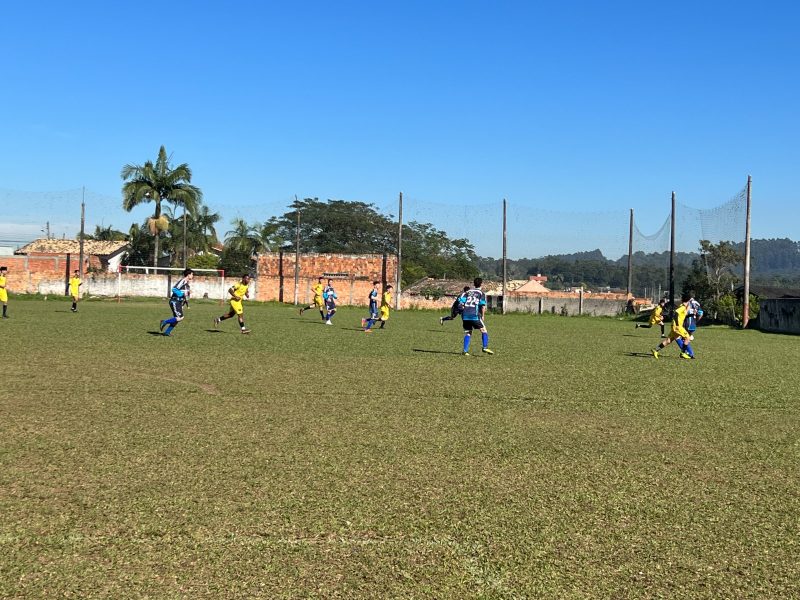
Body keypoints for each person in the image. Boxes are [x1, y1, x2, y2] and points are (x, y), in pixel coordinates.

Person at [652, 293, 695, 360]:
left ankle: (656, 350)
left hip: (674, 326)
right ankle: (683, 353)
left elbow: (684, 315)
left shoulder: (683, 306)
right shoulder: (683, 307)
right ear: (688, 300)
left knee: (668, 340)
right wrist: (677, 324)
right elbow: (676, 313)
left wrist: (692, 314)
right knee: (687, 338)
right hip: (677, 327)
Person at [460, 278, 493, 355]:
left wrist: (464, 311)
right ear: (481, 284)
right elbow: (482, 306)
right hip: (474, 315)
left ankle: (465, 351)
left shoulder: (468, 292)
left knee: (468, 333)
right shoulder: (481, 293)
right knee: (484, 330)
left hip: (465, 315)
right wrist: (483, 316)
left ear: (474, 284)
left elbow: (461, 303)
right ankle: (485, 347)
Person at [160, 268, 193, 336]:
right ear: (188, 275)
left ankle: (167, 332)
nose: (193, 276)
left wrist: (183, 303)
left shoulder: (187, 285)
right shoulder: (183, 281)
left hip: (179, 302)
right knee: (180, 317)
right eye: (192, 274)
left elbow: (185, 295)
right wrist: (183, 294)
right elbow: (174, 289)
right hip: (175, 301)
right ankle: (164, 322)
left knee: (177, 319)